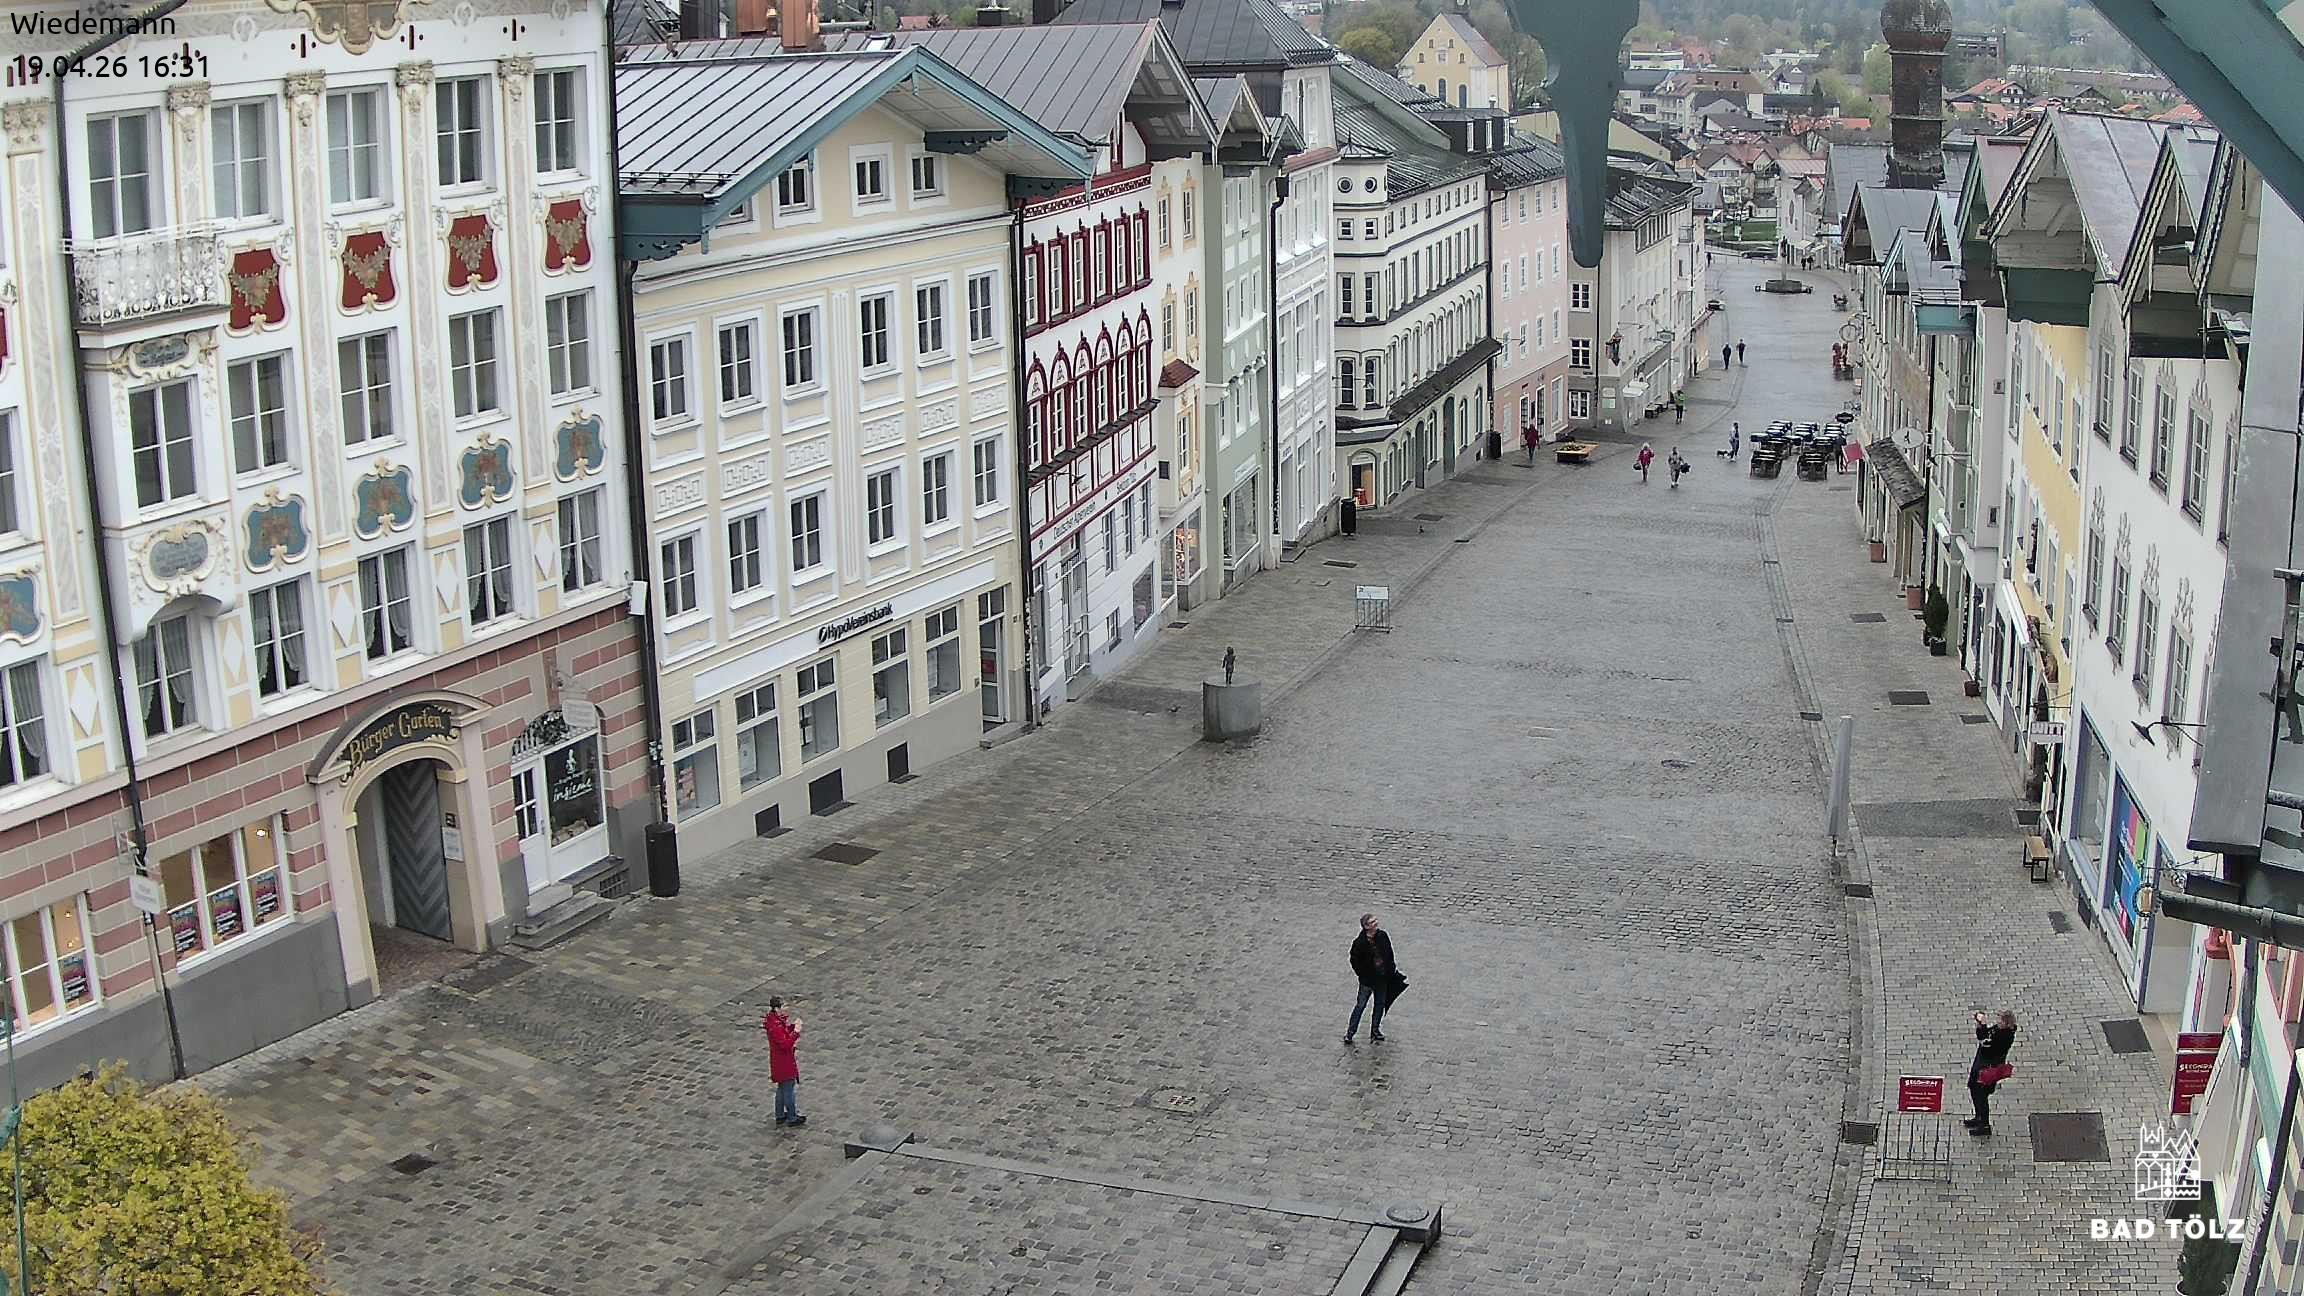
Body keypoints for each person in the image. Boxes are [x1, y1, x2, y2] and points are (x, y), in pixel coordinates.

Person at [1964, 1009, 2018, 1136]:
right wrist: (1980, 1025)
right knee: (1974, 1089)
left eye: (2000, 1019)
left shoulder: (2005, 1035)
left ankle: (1984, 1125)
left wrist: (1982, 1025)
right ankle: (1978, 1117)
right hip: (1981, 1064)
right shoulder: (1998, 1029)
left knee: (1981, 1095)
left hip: (1989, 1068)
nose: (1997, 1021)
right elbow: (1983, 1036)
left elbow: (1986, 1044)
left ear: (2005, 1022)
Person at [1346, 913, 1397, 1043]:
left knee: (1379, 1005)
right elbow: (1354, 961)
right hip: (1367, 981)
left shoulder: (1382, 936)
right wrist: (1363, 975)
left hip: (1382, 979)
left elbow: (1390, 954)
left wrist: (1390, 970)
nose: (1376, 923)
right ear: (1366, 926)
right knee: (1361, 1005)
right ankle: (1350, 1032)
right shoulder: (1359, 943)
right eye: (1373, 922)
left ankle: (1375, 1030)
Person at [764, 998, 806, 1128]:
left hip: (779, 1060)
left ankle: (780, 1115)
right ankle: (792, 1117)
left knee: (782, 1088)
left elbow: (785, 1032)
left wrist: (793, 1027)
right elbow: (785, 1044)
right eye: (783, 1006)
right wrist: (796, 1033)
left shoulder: (775, 1022)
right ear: (777, 1008)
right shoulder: (776, 1025)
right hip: (784, 1061)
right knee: (788, 1088)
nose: (786, 1008)